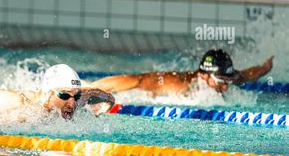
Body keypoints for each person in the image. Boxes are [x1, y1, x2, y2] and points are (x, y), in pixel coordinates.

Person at [92, 49, 274, 96]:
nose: (226, 87)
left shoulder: (224, 79)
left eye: (228, 80)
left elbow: (248, 74)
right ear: (203, 75)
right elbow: (137, 80)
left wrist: (266, 67)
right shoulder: (179, 84)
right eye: (221, 81)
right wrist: (93, 88)